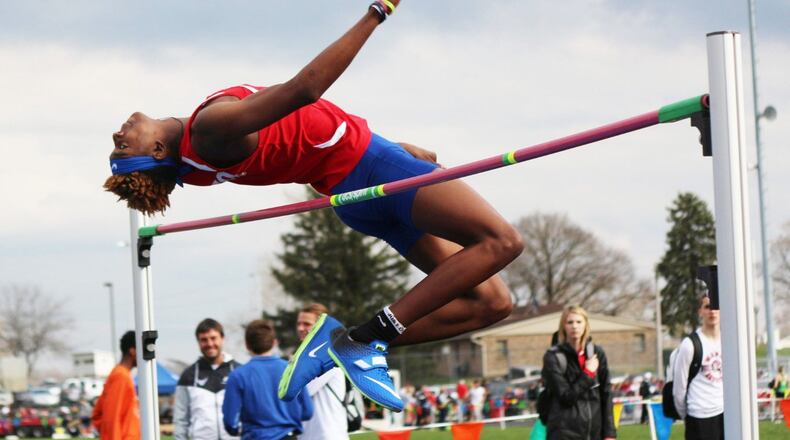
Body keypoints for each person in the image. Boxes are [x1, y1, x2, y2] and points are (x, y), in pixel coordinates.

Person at [104, 0, 522, 413]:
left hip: (359, 183)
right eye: (123, 145)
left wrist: (394, 149)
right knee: (503, 241)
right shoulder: (209, 132)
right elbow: (305, 91)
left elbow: (308, 140)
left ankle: (347, 340)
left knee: (493, 303)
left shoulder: (190, 167)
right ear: (157, 150)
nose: (116, 133)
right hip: (373, 171)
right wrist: (378, 12)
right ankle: (370, 335)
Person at [222, 319, 313, 439]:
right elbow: (307, 411)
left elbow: (230, 422)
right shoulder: (292, 370)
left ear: (247, 345)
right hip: (288, 436)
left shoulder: (238, 376)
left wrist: (238, 431)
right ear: (274, 342)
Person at [541, 305, 616, 440]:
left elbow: (606, 394)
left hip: (594, 432)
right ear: (563, 326)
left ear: (586, 325)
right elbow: (566, 396)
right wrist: (588, 373)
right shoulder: (553, 357)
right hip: (563, 432)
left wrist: (609, 433)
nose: (574, 326)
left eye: (579, 322)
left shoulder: (597, 353)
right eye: (570, 322)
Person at [174, 318, 241, 440]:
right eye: (204, 340)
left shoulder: (239, 371)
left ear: (222, 339)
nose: (209, 344)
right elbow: (180, 419)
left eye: (213, 338)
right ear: (198, 342)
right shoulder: (188, 375)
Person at [295, 304, 349, 440]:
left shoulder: (327, 355)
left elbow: (296, 390)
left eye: (306, 324)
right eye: (298, 324)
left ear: (321, 327)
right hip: (308, 435)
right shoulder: (305, 356)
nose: (300, 328)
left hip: (328, 436)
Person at [672, 294, 723, 440]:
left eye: (716, 307)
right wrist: (685, 413)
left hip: (725, 413)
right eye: (707, 307)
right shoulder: (689, 345)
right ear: (700, 311)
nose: (712, 311)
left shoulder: (729, 339)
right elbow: (679, 386)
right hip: (699, 415)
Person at [91, 331, 140, 440]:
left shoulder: (121, 374)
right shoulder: (121, 376)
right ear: (133, 351)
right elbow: (112, 417)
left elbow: (98, 414)